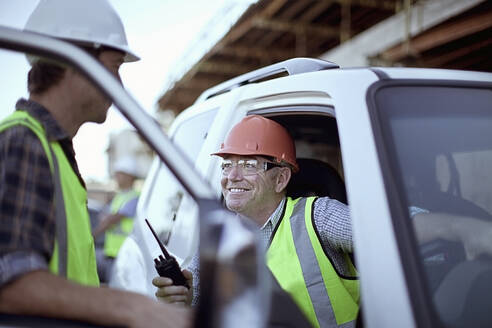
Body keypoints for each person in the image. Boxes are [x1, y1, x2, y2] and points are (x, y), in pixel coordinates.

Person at [154, 115, 492, 328]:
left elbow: (389, 228)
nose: (232, 176)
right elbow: (194, 300)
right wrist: (182, 301)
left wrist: (461, 228)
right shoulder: (217, 238)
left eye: (250, 165)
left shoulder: (318, 216)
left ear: (281, 179)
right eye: (227, 165)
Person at [0, 1, 189, 327]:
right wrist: (134, 308)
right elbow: (11, 284)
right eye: (115, 65)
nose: (119, 85)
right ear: (74, 61)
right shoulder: (24, 140)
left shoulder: (54, 152)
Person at [93, 157, 140, 282]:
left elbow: (110, 220)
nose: (116, 177)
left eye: (120, 174)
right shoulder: (119, 197)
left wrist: (93, 236)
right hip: (112, 252)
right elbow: (104, 216)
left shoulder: (134, 198)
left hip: (124, 254)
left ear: (129, 176)